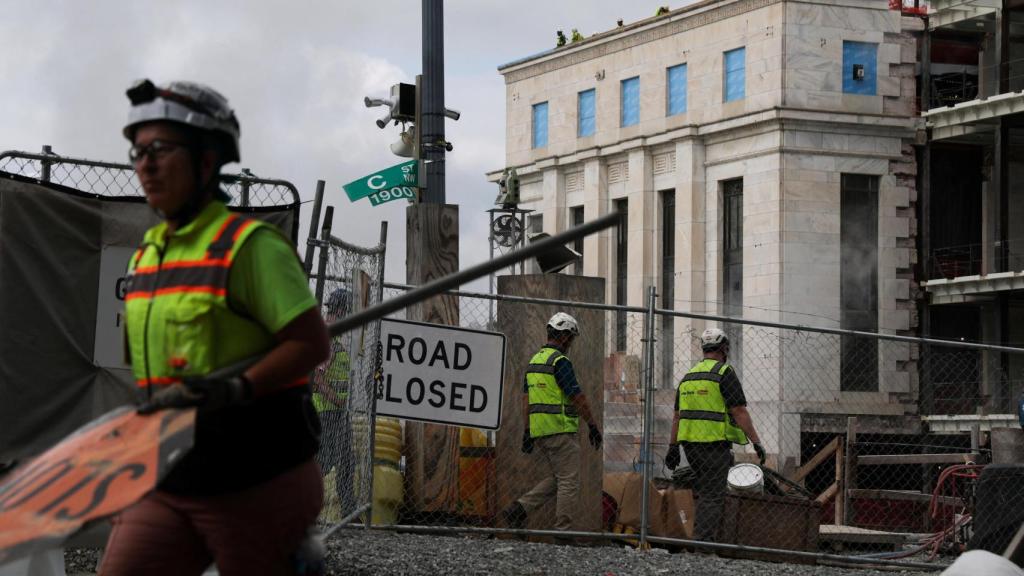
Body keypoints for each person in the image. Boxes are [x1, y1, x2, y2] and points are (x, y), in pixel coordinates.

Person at [102, 79, 330, 576]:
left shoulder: (251, 247)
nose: (145, 164)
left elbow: (311, 344)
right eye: (137, 152)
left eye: (160, 150)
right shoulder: (147, 255)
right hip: (170, 478)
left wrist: (235, 388)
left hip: (257, 478)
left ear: (207, 161)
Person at [502, 312, 603, 534]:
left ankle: (519, 510)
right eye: (572, 338)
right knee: (569, 482)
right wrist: (592, 425)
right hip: (560, 430)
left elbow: (526, 399)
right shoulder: (560, 362)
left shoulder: (535, 361)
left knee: (560, 478)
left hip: (541, 431)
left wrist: (528, 431)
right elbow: (577, 397)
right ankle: (563, 532)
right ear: (565, 336)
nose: (571, 344)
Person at [664, 327, 764, 543]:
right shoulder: (724, 373)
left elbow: (677, 417)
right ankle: (703, 544)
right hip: (713, 444)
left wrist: (672, 447)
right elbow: (739, 411)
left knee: (704, 490)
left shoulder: (688, 377)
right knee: (713, 495)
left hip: (690, 446)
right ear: (724, 348)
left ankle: (701, 538)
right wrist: (756, 442)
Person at [313, 288, 356, 520]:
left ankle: (349, 512)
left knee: (345, 462)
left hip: (336, 413)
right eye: (348, 311)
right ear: (341, 310)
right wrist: (339, 400)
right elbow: (318, 378)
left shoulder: (334, 335)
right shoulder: (329, 337)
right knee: (327, 462)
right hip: (328, 412)